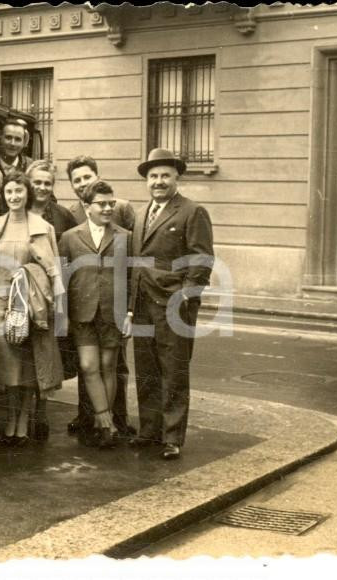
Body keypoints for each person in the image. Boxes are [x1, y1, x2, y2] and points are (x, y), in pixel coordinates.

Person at [128, 148, 214, 460]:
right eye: (153, 176)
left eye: (165, 175)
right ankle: (149, 431)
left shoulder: (192, 211)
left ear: (177, 178)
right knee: (146, 369)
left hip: (173, 306)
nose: (159, 181)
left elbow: (202, 261)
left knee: (173, 370)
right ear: (146, 181)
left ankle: (172, 437)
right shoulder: (141, 215)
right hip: (142, 305)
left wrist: (185, 300)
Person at [0, 172, 64, 445]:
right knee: (7, 366)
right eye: (9, 192)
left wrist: (56, 303)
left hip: (30, 303)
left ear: (27, 194)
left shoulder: (41, 226)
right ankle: (10, 419)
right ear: (4, 196)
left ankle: (23, 421)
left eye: (19, 191)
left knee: (29, 366)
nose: (14, 197)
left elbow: (53, 270)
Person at [64, 155, 136, 440]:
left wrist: (130, 312)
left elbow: (134, 277)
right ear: (86, 207)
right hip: (82, 313)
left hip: (113, 313)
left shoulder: (125, 236)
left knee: (109, 366)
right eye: (101, 204)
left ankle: (106, 426)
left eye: (110, 204)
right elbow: (64, 277)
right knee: (88, 366)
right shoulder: (70, 236)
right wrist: (64, 316)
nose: (107, 208)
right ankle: (103, 419)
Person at [24, 159, 77, 440]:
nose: (42, 188)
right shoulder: (15, 209)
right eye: (37, 182)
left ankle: (40, 412)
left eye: (47, 183)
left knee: (45, 353)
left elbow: (69, 256)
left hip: (49, 295)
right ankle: (19, 414)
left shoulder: (62, 216)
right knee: (21, 354)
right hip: (20, 294)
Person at [0, 119, 33, 216]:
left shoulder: (31, 167)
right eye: (8, 137)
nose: (12, 143)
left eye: (18, 139)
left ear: (24, 143)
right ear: (1, 139)